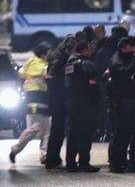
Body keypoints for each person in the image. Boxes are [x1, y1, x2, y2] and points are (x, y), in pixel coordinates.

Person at [9, 45, 51, 165]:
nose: (50, 55)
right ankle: (16, 148)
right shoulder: (39, 63)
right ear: (43, 54)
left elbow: (21, 72)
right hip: (35, 98)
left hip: (41, 97)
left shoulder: (30, 61)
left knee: (46, 129)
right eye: (48, 53)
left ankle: (45, 155)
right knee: (35, 127)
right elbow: (42, 73)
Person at [107, 37, 135, 173]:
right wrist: (134, 64)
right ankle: (116, 161)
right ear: (124, 48)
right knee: (120, 132)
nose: (133, 50)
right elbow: (123, 73)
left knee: (130, 131)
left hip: (132, 99)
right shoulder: (116, 60)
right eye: (130, 47)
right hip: (120, 101)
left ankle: (124, 160)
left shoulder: (128, 59)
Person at [64, 41, 100, 172]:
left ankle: (71, 162)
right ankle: (83, 162)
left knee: (74, 133)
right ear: (84, 50)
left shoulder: (70, 63)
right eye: (89, 50)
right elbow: (91, 69)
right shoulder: (78, 62)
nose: (91, 52)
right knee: (83, 133)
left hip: (75, 103)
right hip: (82, 103)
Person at [45, 34, 77, 170]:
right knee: (57, 130)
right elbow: (51, 78)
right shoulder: (59, 60)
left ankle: (53, 158)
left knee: (57, 130)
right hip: (59, 99)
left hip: (57, 99)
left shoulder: (57, 56)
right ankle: (52, 159)